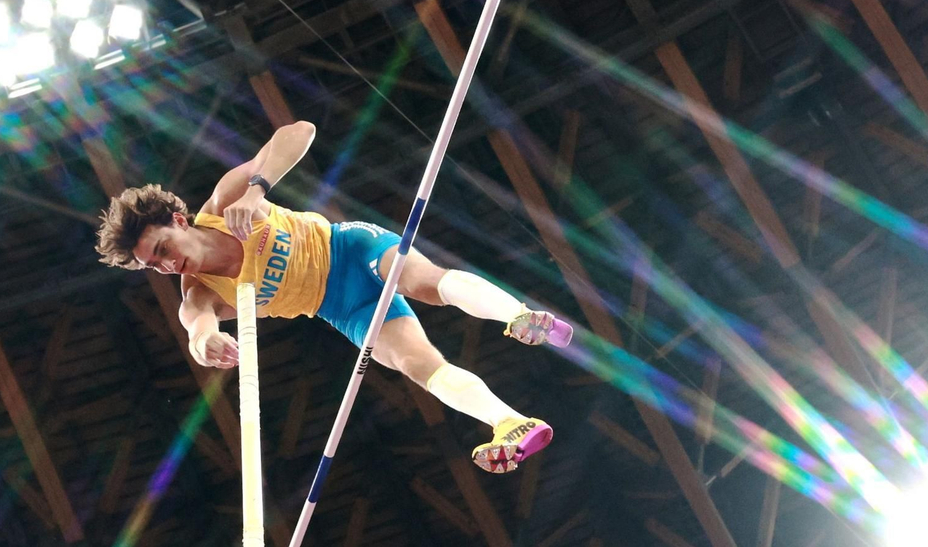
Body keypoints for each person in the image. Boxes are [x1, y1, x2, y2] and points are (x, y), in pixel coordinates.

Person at [95, 120, 571, 473]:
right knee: (416, 364)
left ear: (177, 221)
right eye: (152, 265)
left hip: (348, 248)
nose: (165, 264)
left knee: (424, 283)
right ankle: (511, 423)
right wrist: (206, 344)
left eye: (162, 249)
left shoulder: (222, 205)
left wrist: (256, 192)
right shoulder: (197, 292)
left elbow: (299, 131)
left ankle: (522, 316)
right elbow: (197, 327)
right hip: (340, 306)